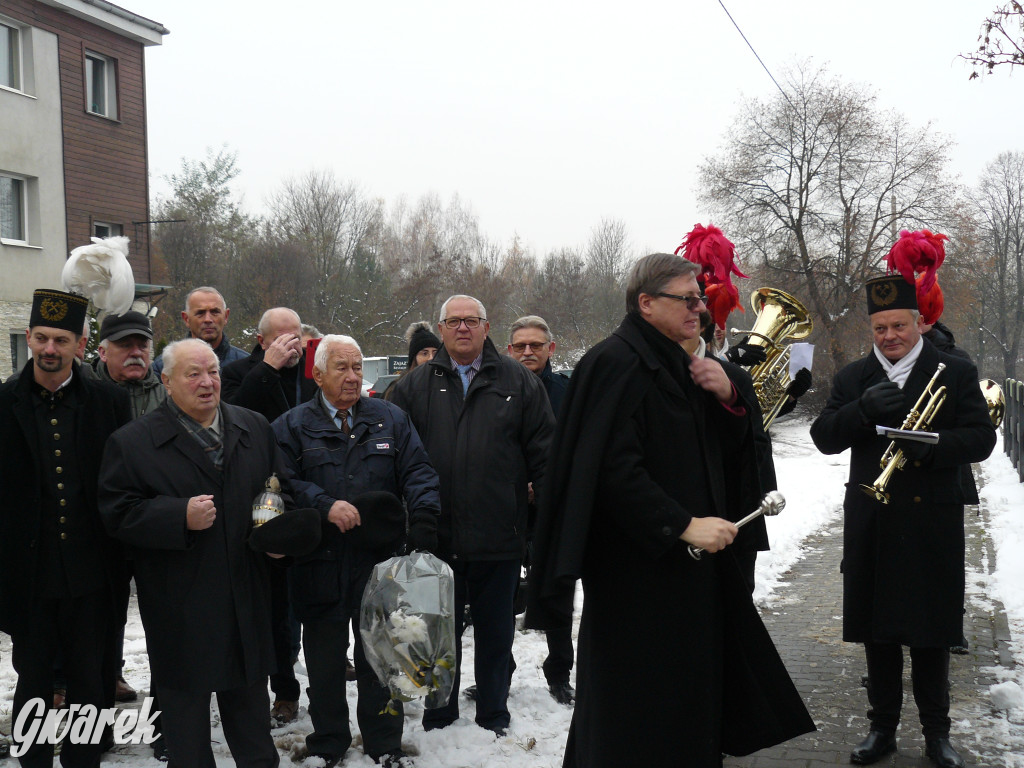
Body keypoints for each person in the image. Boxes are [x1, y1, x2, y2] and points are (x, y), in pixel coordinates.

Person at [526, 254, 814, 768]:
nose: (700, 310)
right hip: (636, 576)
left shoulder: (674, 361)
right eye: (689, 298)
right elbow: (613, 471)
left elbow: (717, 454)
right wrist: (681, 525)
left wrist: (729, 397)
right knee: (636, 712)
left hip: (686, 573)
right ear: (646, 303)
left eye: (699, 299)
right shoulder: (615, 362)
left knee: (688, 703)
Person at [810, 271, 996, 768]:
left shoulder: (954, 370)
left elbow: (982, 437)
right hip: (873, 518)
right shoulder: (854, 378)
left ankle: (938, 734)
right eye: (879, 328)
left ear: (918, 321)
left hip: (932, 519)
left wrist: (932, 449)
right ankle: (882, 730)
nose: (889, 336)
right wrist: (861, 411)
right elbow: (824, 435)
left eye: (899, 325)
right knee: (879, 631)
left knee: (932, 632)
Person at [99, 338, 288, 768]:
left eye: (214, 372)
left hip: (246, 599)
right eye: (193, 374)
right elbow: (116, 514)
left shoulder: (253, 426)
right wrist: (176, 515)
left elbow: (280, 489)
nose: (208, 383)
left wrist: (281, 535)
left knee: (254, 734)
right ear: (166, 381)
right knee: (186, 739)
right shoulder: (133, 442)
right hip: (180, 606)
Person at [272, 334, 440, 768]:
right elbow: (280, 483)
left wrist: (423, 517)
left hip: (378, 566)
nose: (352, 377)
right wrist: (324, 506)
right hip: (319, 563)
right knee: (325, 665)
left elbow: (419, 470)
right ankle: (328, 741)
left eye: (358, 367)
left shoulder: (389, 418)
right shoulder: (291, 426)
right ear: (318, 373)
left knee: (382, 661)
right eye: (342, 368)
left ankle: (384, 742)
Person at [390, 295, 554, 736]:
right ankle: (440, 713)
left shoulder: (519, 383)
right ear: (441, 329)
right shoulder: (412, 387)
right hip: (435, 538)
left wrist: (548, 515)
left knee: (496, 634)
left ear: (486, 327)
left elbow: (545, 454)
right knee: (437, 633)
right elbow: (395, 459)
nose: (463, 328)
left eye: (472, 321)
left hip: (499, 534)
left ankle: (494, 712)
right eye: (454, 321)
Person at [0, 288, 131, 767]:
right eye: (40, 338)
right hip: (28, 576)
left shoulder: (110, 401)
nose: (48, 349)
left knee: (89, 682)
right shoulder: (4, 403)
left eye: (60, 339)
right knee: (33, 681)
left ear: (80, 343)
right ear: (30, 339)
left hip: (93, 574)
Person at [221, 307, 319, 726]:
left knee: (293, 608)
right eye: (280, 338)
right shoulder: (240, 372)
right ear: (261, 341)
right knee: (265, 605)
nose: (290, 345)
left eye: (295, 335)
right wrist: (267, 368)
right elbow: (229, 419)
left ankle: (289, 688)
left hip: (309, 494)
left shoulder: (314, 370)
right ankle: (259, 689)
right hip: (258, 499)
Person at [506, 315, 574, 705]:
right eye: (520, 346)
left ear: (551, 348)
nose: (528, 352)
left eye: (536, 345)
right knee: (499, 596)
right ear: (509, 350)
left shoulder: (568, 392)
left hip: (555, 507)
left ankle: (559, 671)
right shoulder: (493, 387)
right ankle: (499, 671)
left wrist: (546, 485)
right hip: (505, 507)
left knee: (557, 591)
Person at [153, 286, 247, 375]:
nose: (208, 319)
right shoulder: (163, 367)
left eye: (215, 312)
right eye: (200, 313)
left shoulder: (247, 366)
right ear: (186, 319)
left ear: (226, 316)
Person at [382, 321, 440, 402]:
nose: (431, 358)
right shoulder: (399, 389)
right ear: (414, 358)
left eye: (435, 353)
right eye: (424, 353)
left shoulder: (445, 384)